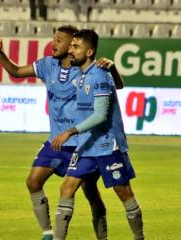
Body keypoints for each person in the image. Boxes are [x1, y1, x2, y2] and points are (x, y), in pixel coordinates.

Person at [0, 25, 124, 240]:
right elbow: (15, 71)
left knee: (91, 194)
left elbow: (114, 85)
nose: (54, 43)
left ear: (73, 45)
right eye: (54, 39)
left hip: (83, 143)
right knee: (33, 182)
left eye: (60, 40)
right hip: (57, 141)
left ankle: (102, 237)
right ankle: (48, 233)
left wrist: (112, 69)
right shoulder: (47, 65)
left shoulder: (86, 68)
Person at [51, 29, 144, 240]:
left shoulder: (100, 74)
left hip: (106, 144)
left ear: (90, 51)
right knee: (67, 188)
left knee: (124, 193)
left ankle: (140, 238)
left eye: (76, 47)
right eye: (71, 46)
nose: (71, 50)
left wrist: (70, 131)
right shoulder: (82, 74)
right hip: (86, 145)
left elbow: (101, 115)